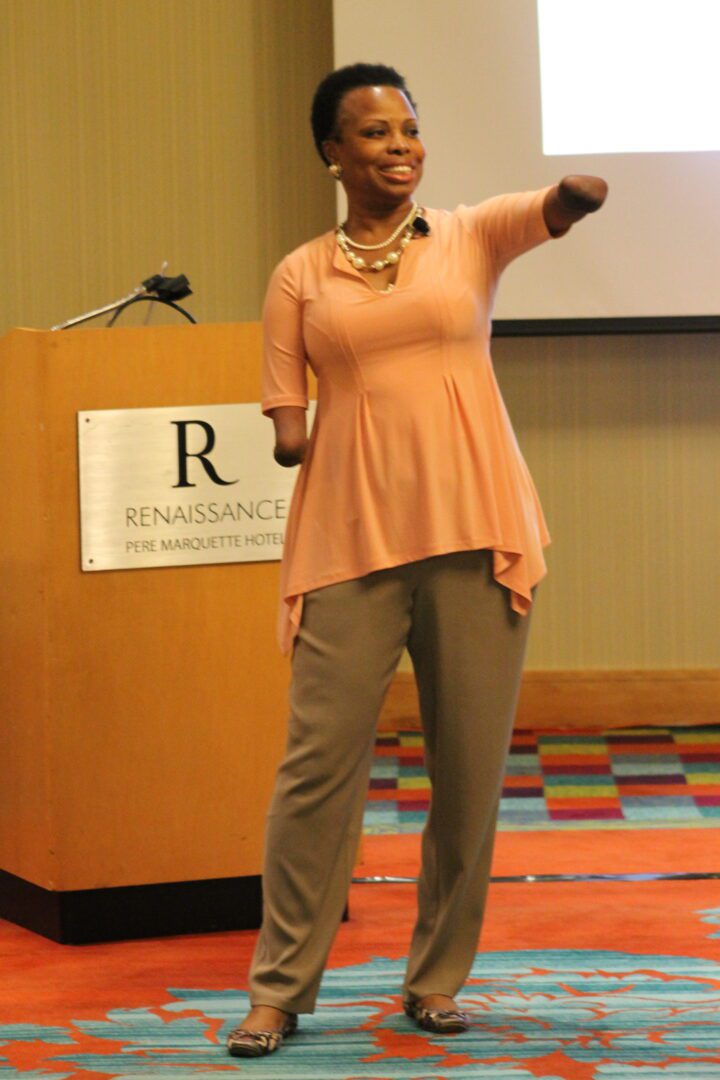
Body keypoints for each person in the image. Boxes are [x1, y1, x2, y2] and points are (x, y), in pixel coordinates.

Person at [227, 62, 607, 1058]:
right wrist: (299, 428)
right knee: (316, 772)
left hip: (477, 530)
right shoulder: (299, 274)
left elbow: (548, 211)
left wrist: (570, 198)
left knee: (468, 774)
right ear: (332, 153)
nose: (398, 147)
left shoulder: (470, 236)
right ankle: (279, 989)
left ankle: (435, 981)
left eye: (408, 130)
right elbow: (283, 418)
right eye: (374, 134)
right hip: (350, 540)